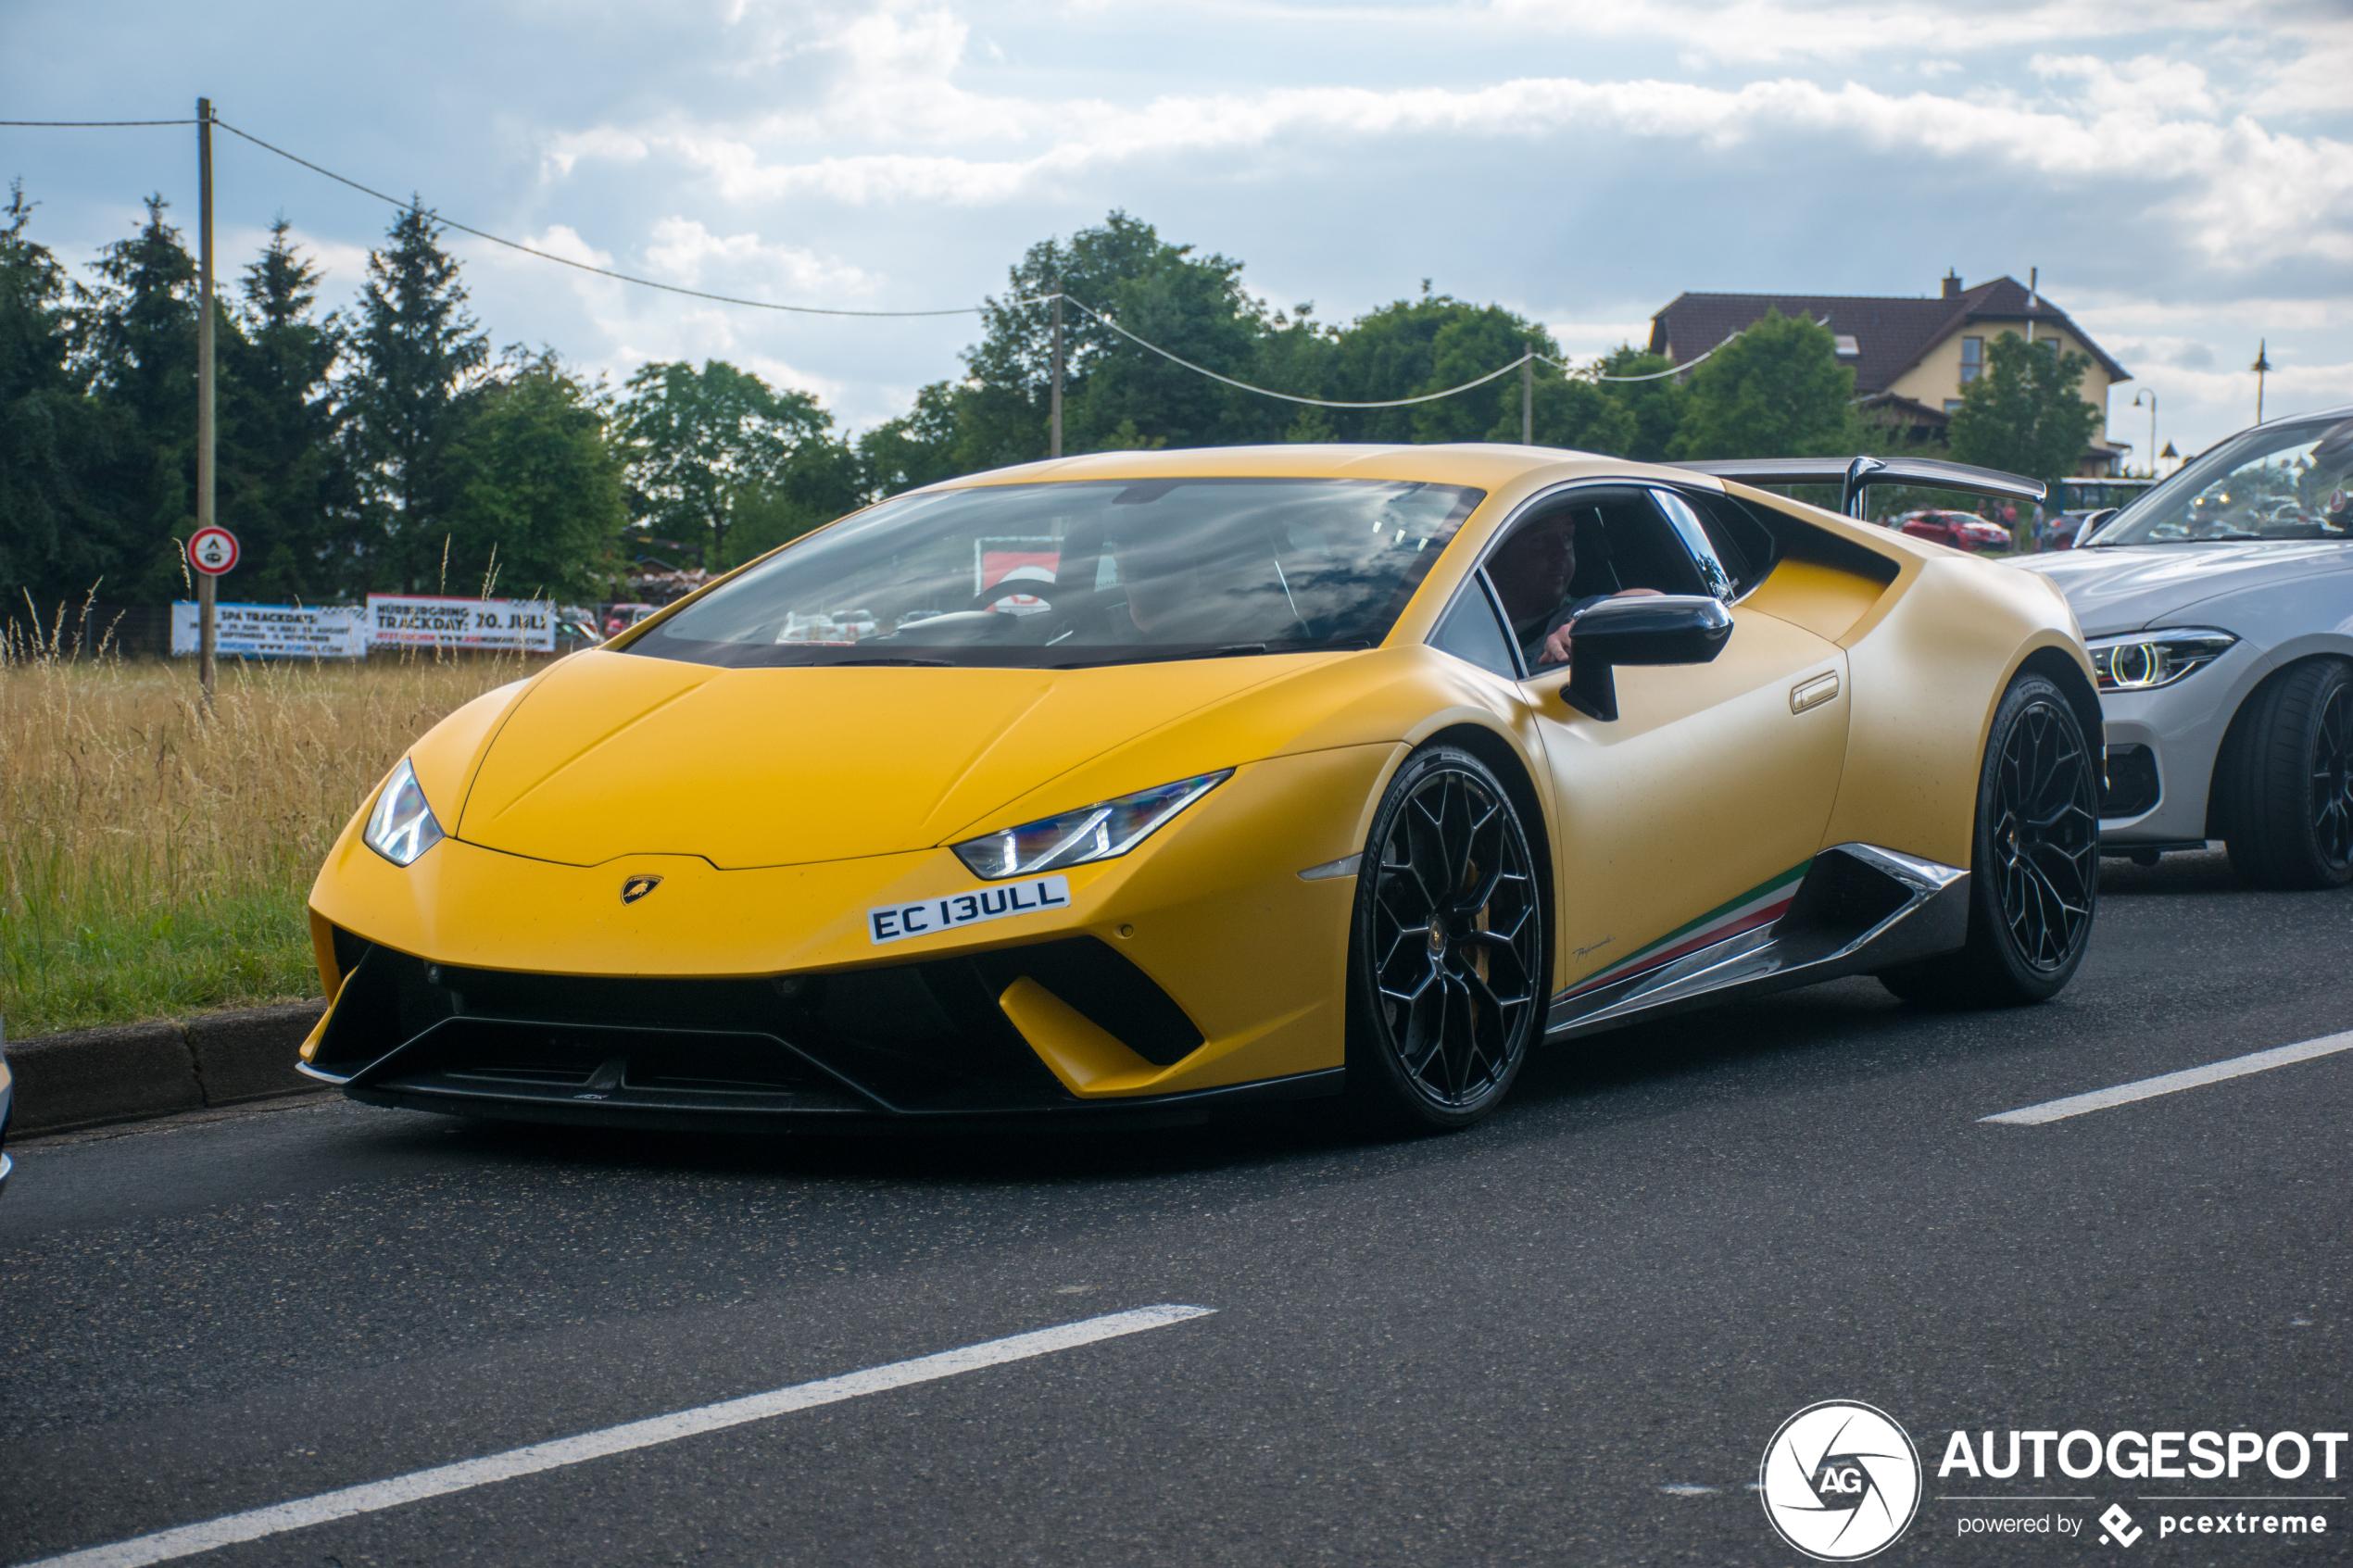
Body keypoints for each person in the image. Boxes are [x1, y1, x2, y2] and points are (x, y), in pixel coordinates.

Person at [1487, 510, 1659, 668]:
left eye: (1567, 536)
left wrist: (1581, 624)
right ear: (1494, 555)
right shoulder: (1462, 612)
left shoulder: (1574, 615)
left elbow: (1654, 603)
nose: (1562, 552)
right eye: (1540, 539)